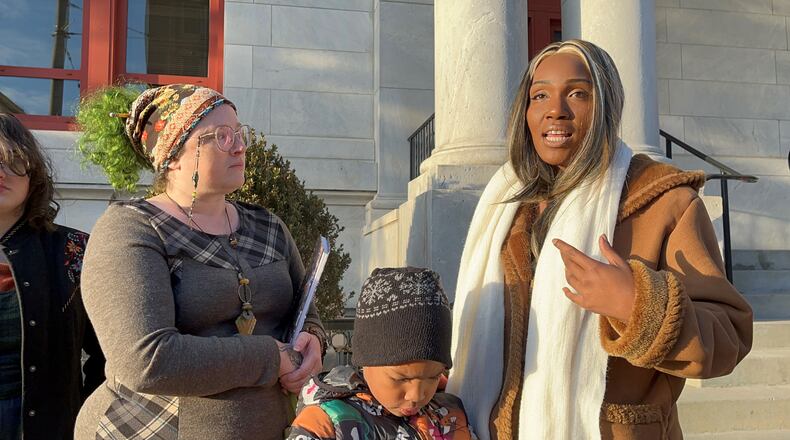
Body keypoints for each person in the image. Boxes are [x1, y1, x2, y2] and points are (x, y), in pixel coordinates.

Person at [447, 40, 753, 440]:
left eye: (577, 93)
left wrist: (638, 305)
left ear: (606, 104)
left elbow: (728, 338)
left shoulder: (664, 202)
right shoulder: (505, 205)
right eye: (540, 95)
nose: (556, 109)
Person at [73, 84, 327, 440]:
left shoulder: (268, 226)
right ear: (172, 155)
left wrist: (313, 341)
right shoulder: (131, 229)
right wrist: (271, 357)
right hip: (150, 431)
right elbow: (146, 360)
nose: (239, 146)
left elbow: (306, 313)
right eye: (221, 137)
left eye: (240, 134)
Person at [0, 113, 105, 439]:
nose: (1, 171)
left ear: (34, 175)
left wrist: (86, 417)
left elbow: (107, 355)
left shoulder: (74, 249)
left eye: (13, 160)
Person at [288, 267, 475, 439]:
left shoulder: (450, 414)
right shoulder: (326, 423)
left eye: (432, 377)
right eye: (401, 378)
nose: (417, 395)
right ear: (366, 361)